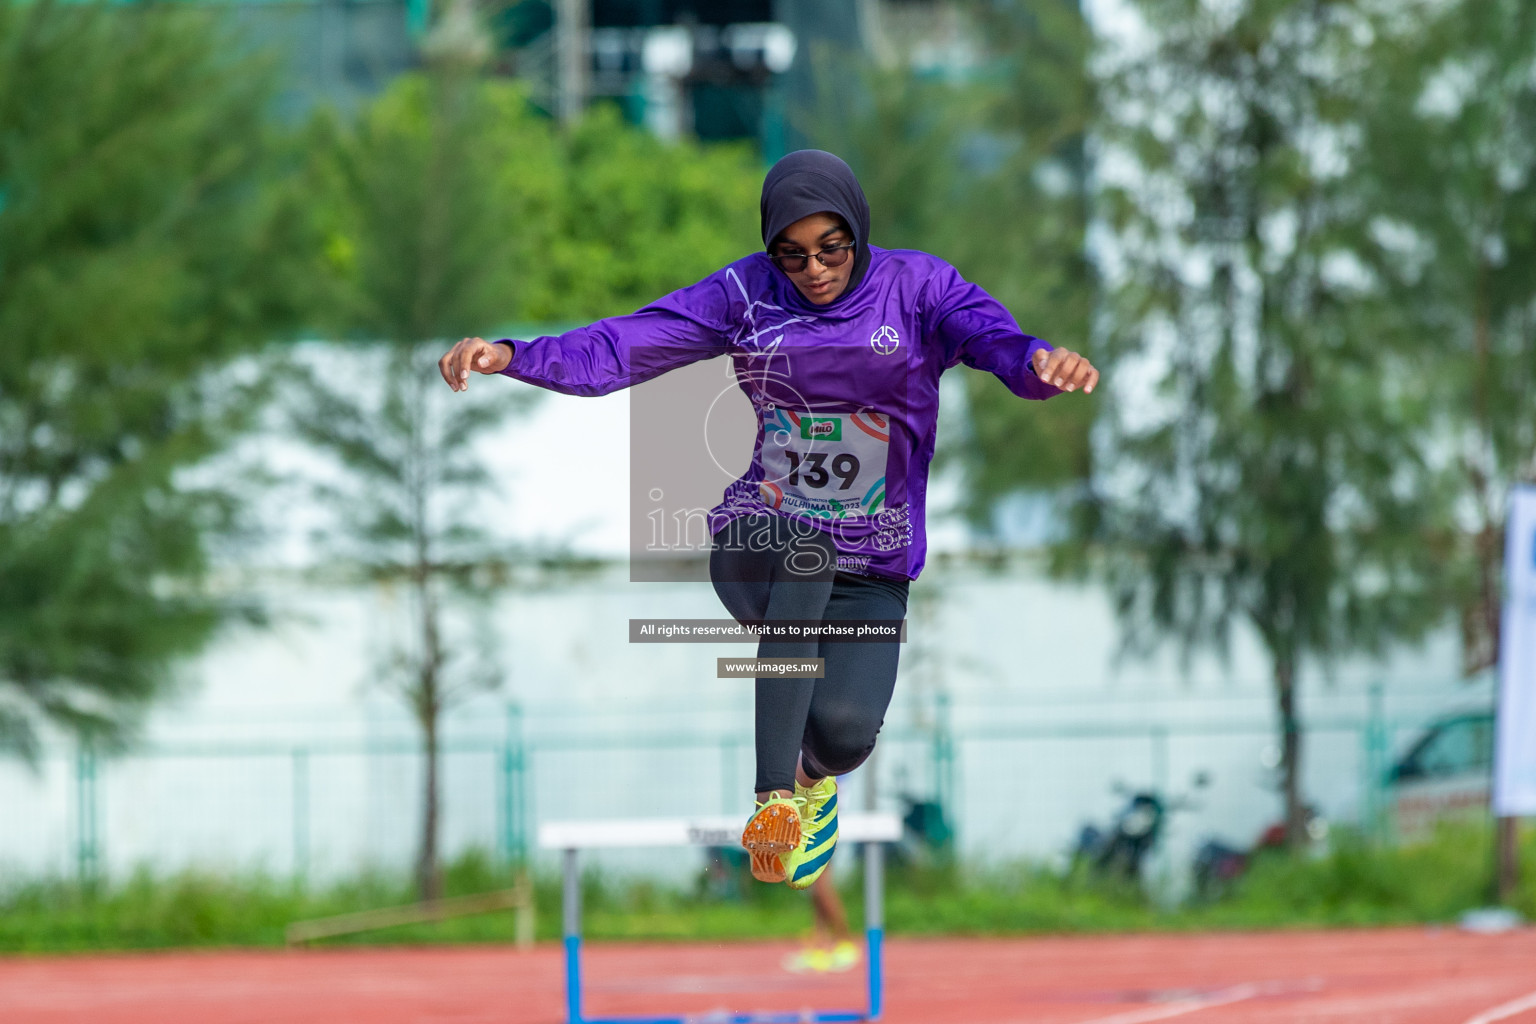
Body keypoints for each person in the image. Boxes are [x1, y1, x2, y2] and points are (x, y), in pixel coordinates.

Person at [438, 150, 1098, 891]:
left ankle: (814, 779)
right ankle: (771, 800)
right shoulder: (745, 295)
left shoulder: (917, 289)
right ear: (770, 250)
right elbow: (625, 343)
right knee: (804, 548)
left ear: (858, 234)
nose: (813, 269)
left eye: (831, 249)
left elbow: (991, 339)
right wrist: (511, 355)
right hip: (761, 537)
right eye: (791, 255)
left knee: (845, 734)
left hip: (873, 562)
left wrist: (1037, 361)